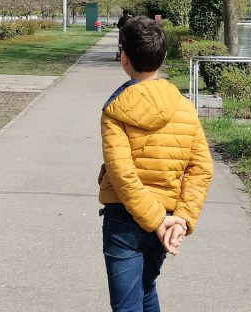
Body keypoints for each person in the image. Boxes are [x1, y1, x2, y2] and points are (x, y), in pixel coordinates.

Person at [98, 16, 214, 312]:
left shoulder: (116, 110)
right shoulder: (185, 107)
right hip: (169, 216)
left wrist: (156, 222)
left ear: (124, 58)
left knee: (127, 305)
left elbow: (121, 174)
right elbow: (201, 167)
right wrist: (181, 218)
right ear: (163, 57)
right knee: (146, 289)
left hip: (126, 219)